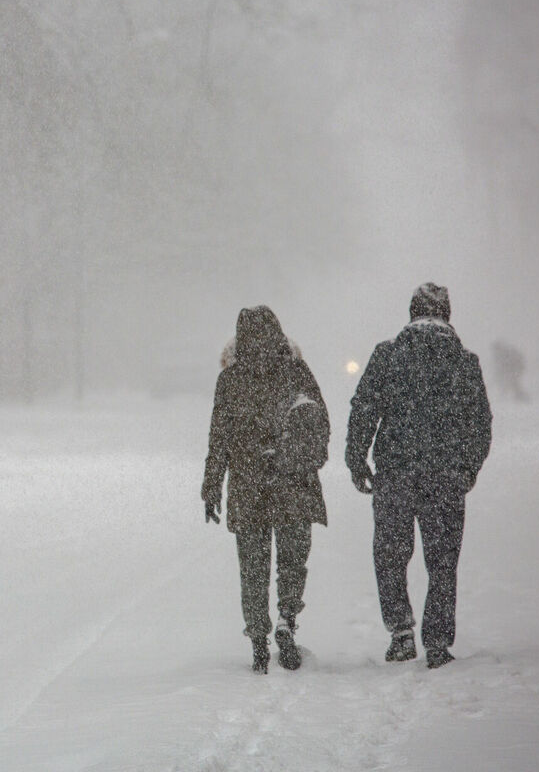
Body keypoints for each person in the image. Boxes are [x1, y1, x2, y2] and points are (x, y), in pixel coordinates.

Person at [345, 283, 492, 669]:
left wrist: (357, 459)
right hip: (444, 477)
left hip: (395, 473)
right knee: (442, 561)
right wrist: (466, 468)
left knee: (390, 555)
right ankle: (439, 642)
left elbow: (364, 408)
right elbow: (480, 423)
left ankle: (401, 633)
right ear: (447, 314)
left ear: (412, 313)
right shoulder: (463, 361)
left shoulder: (389, 355)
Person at [202, 306, 330, 674]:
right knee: (292, 562)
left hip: (248, 485)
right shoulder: (295, 370)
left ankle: (259, 640)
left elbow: (219, 439)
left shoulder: (231, 379)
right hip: (292, 482)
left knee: (253, 568)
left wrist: (211, 486)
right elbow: (321, 421)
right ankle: (286, 620)